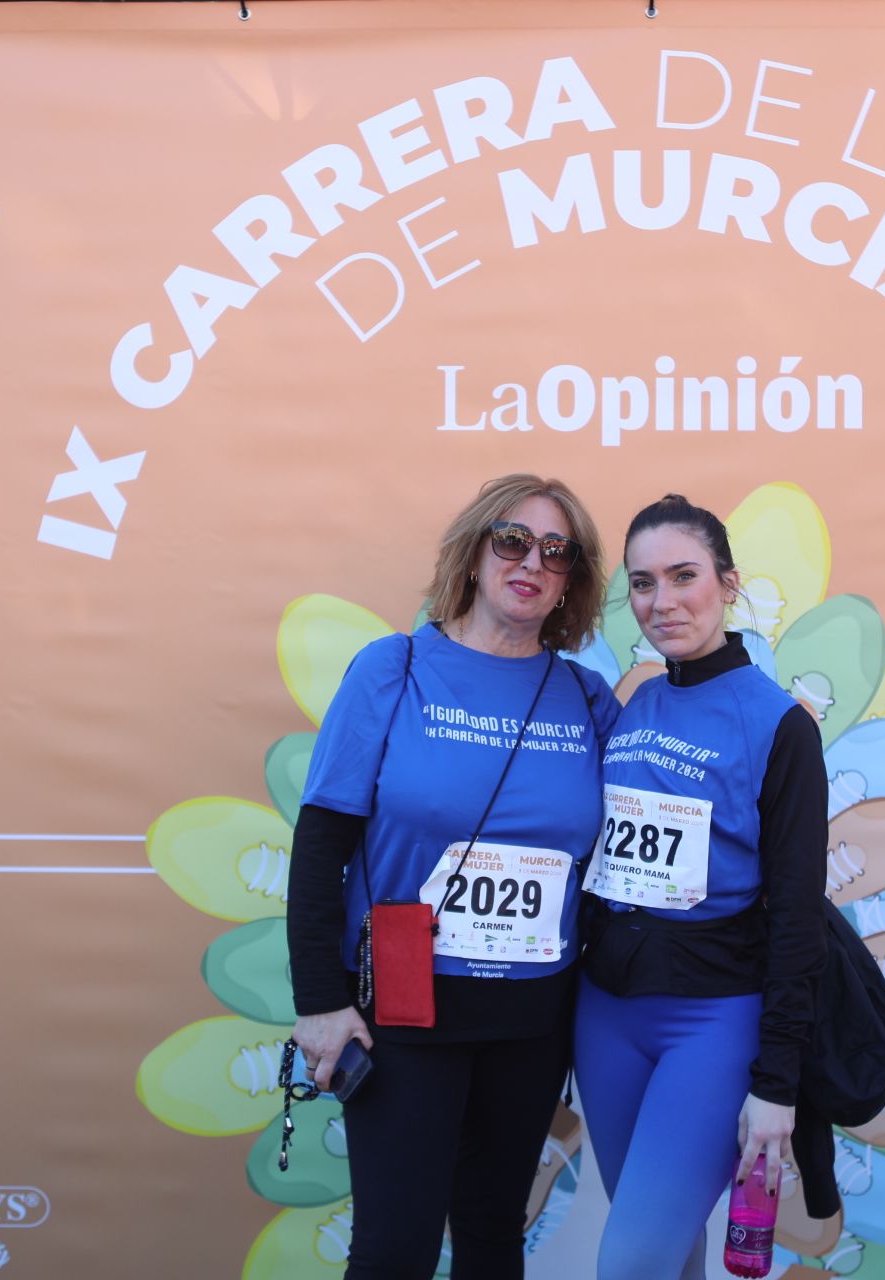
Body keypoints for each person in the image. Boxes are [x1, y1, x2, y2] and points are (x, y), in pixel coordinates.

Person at [286, 474, 620, 1280]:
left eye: (556, 552)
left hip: (532, 1023)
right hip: (403, 1012)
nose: (530, 562)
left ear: (572, 581)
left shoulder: (586, 698)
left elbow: (651, 825)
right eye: (511, 540)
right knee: (395, 1250)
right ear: (473, 553)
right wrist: (320, 1002)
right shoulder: (393, 670)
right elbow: (320, 845)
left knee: (494, 1236)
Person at [575, 494, 829, 1280]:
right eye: (643, 584)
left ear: (727, 582)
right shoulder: (638, 702)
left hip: (712, 1026)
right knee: (665, 1253)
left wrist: (776, 1084)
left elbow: (796, 919)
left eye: (684, 576)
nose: (662, 602)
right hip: (607, 1017)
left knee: (628, 1265)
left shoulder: (779, 723)